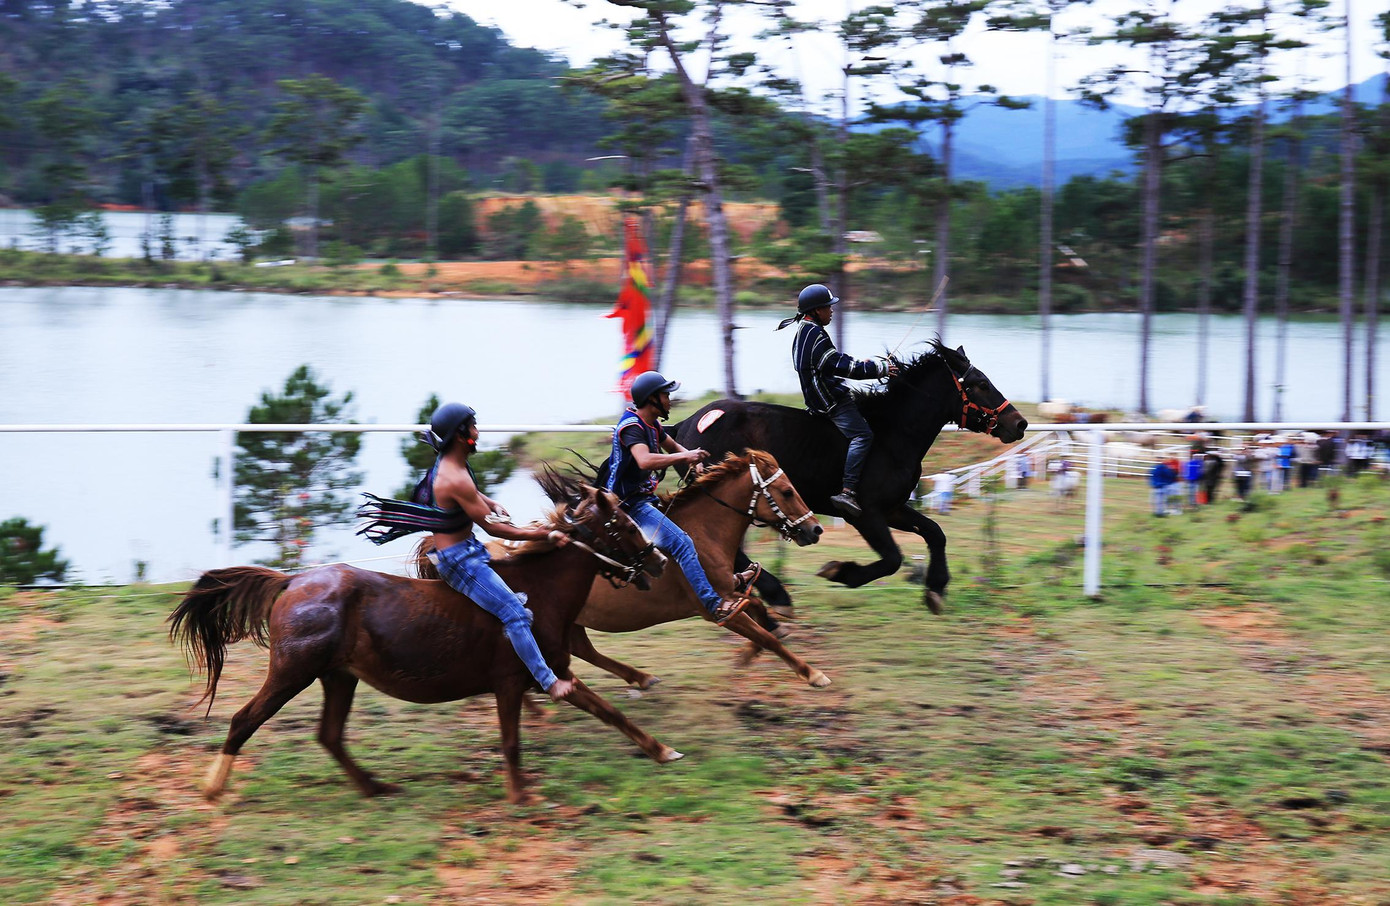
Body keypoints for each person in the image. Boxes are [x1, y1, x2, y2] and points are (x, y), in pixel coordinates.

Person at [359, 402, 575, 701]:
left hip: (470, 550)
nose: (477, 430)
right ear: (461, 435)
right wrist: (543, 534)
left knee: (519, 597)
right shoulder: (454, 476)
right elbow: (497, 530)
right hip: (460, 563)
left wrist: (490, 503)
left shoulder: (454, 462)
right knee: (517, 615)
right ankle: (548, 681)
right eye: (472, 426)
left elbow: (471, 492)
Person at [601, 371, 752, 626]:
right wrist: (686, 458)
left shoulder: (652, 424)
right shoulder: (632, 429)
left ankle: (728, 580)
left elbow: (673, 447)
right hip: (631, 506)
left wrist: (693, 459)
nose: (670, 400)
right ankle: (714, 604)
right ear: (653, 400)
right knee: (683, 544)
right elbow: (644, 460)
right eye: (666, 395)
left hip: (645, 500)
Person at [777, 283, 898, 517]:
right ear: (816, 311)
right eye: (828, 307)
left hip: (816, 400)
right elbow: (845, 367)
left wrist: (862, 364)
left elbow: (833, 361)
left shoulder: (804, 331)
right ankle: (848, 490)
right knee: (863, 435)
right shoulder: (816, 335)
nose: (832, 311)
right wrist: (880, 368)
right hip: (830, 402)